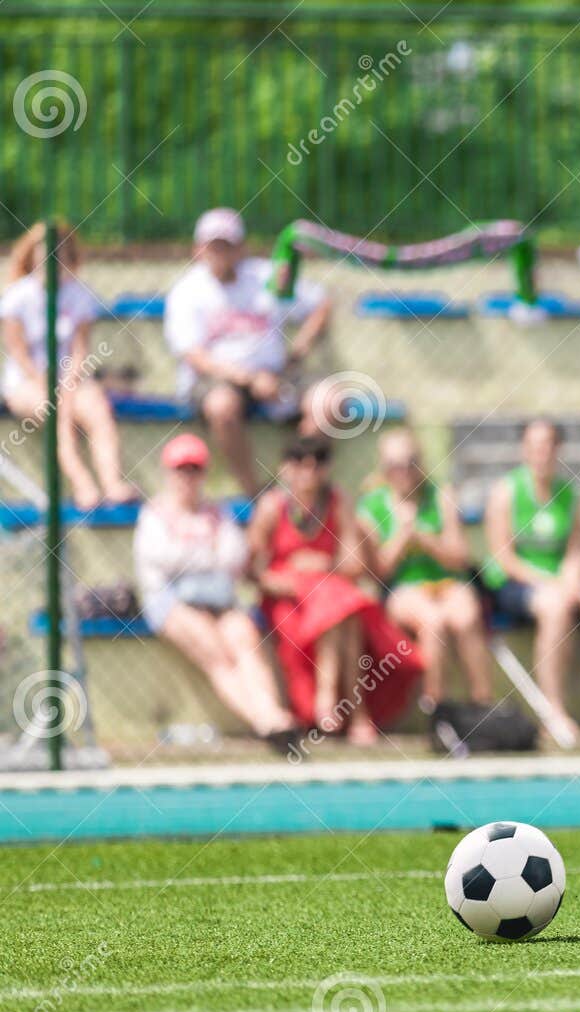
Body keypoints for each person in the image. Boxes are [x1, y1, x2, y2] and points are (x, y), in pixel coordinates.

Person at [247, 436, 421, 742]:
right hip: (289, 601)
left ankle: (329, 698)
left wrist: (320, 566)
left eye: (317, 464)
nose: (308, 472)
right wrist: (289, 579)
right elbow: (254, 571)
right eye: (300, 464)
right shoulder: (272, 507)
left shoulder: (337, 501)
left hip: (328, 595)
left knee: (342, 607)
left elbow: (353, 566)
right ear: (286, 468)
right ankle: (355, 711)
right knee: (344, 607)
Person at [133, 434, 297, 750]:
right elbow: (162, 556)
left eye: (195, 469)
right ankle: (266, 722)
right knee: (217, 653)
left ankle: (274, 715)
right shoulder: (154, 514)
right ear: (169, 473)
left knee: (245, 638)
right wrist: (206, 552)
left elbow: (234, 557)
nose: (188, 477)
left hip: (219, 601)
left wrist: (193, 554)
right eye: (181, 469)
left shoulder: (217, 512)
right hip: (170, 601)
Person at [164, 208, 333, 493]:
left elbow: (321, 303)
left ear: (240, 247)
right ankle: (255, 493)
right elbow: (194, 356)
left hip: (277, 373)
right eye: (212, 245)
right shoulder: (186, 291)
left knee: (329, 401)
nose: (219, 252)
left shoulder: (266, 276)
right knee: (221, 406)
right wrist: (250, 379)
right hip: (220, 380)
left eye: (226, 245)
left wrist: (299, 349)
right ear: (198, 249)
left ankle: (291, 483)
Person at [483, 419, 580, 740]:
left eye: (547, 444)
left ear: (557, 448)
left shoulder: (571, 493)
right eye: (534, 445)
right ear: (524, 449)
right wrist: (550, 584)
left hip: (558, 583)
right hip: (514, 585)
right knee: (554, 606)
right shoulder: (505, 491)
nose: (541, 452)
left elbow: (575, 551)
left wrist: (572, 581)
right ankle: (554, 710)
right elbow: (503, 557)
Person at [357, 429, 495, 711]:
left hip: (447, 582)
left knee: (466, 617)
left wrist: (425, 538)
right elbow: (377, 573)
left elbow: (460, 558)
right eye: (394, 465)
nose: (403, 471)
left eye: (410, 463)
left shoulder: (441, 495)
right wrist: (402, 537)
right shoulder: (370, 505)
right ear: (383, 467)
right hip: (404, 588)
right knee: (433, 622)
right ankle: (436, 707)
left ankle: (483, 703)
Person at [1, 222, 135, 507]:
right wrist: (47, 384)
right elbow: (19, 353)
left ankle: (112, 483)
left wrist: (70, 382)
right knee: (60, 413)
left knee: (98, 409)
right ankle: (83, 485)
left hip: (68, 380)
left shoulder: (79, 294)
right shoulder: (17, 297)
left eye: (59, 251)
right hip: (26, 383)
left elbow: (80, 349)